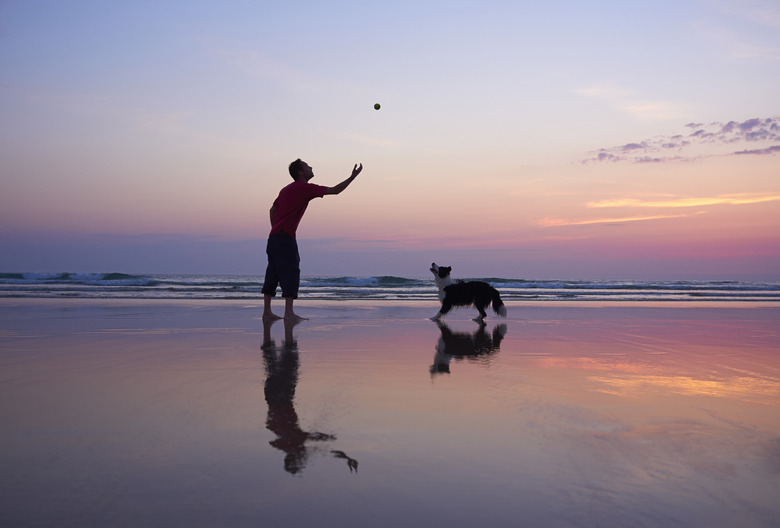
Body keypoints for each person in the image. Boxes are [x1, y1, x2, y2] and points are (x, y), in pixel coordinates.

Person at [262, 159, 363, 321]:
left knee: (273, 272)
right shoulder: (305, 188)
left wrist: (275, 229)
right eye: (307, 166)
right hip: (285, 236)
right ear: (301, 173)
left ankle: (267, 313)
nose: (311, 167)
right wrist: (352, 177)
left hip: (274, 237)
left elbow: (272, 210)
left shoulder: (286, 189)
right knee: (291, 270)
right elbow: (335, 190)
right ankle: (289, 313)